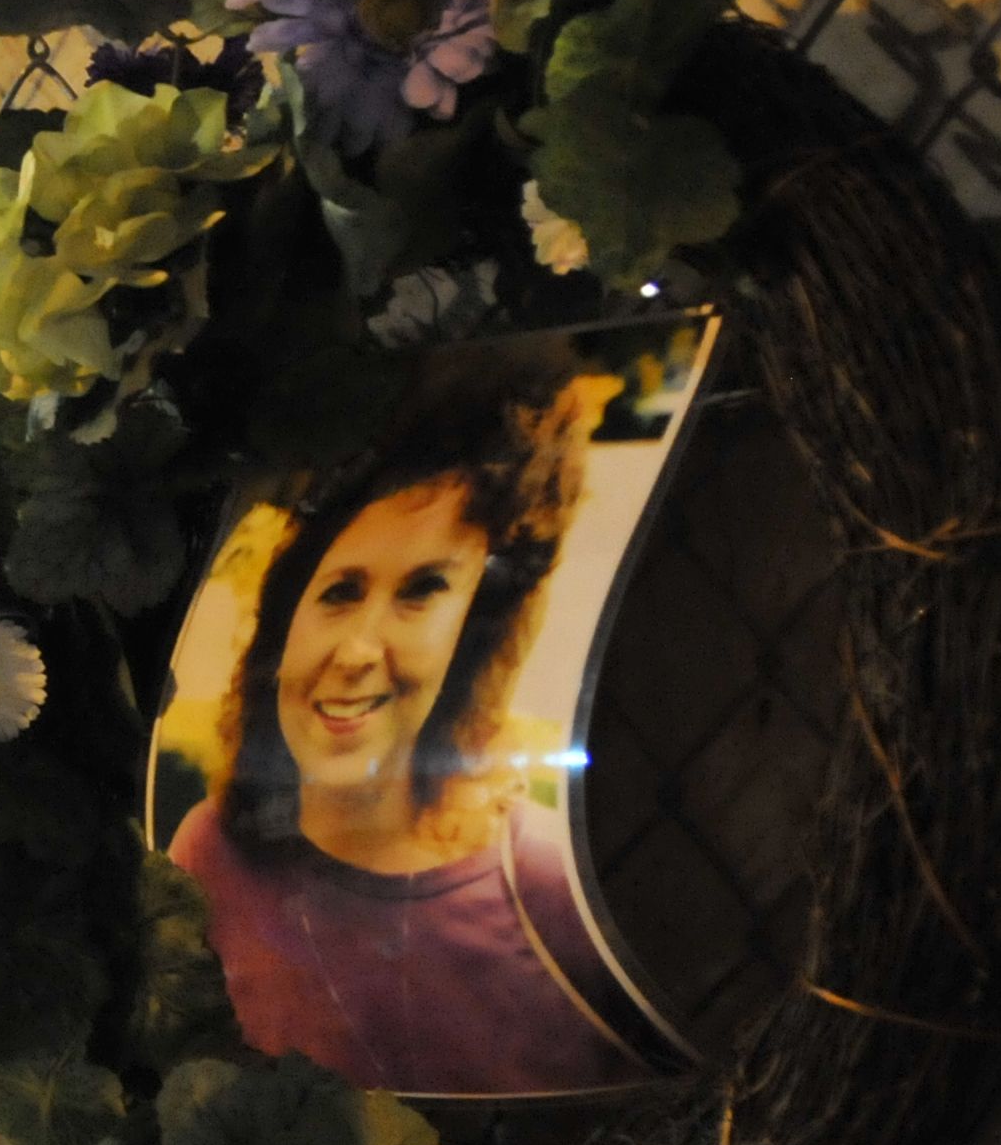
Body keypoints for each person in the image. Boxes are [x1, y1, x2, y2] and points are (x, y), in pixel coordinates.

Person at [164, 369, 661, 1098]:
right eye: (340, 591)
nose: (361, 650)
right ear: (284, 619)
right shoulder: (207, 852)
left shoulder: (541, 886)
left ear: (473, 632)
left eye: (422, 591)